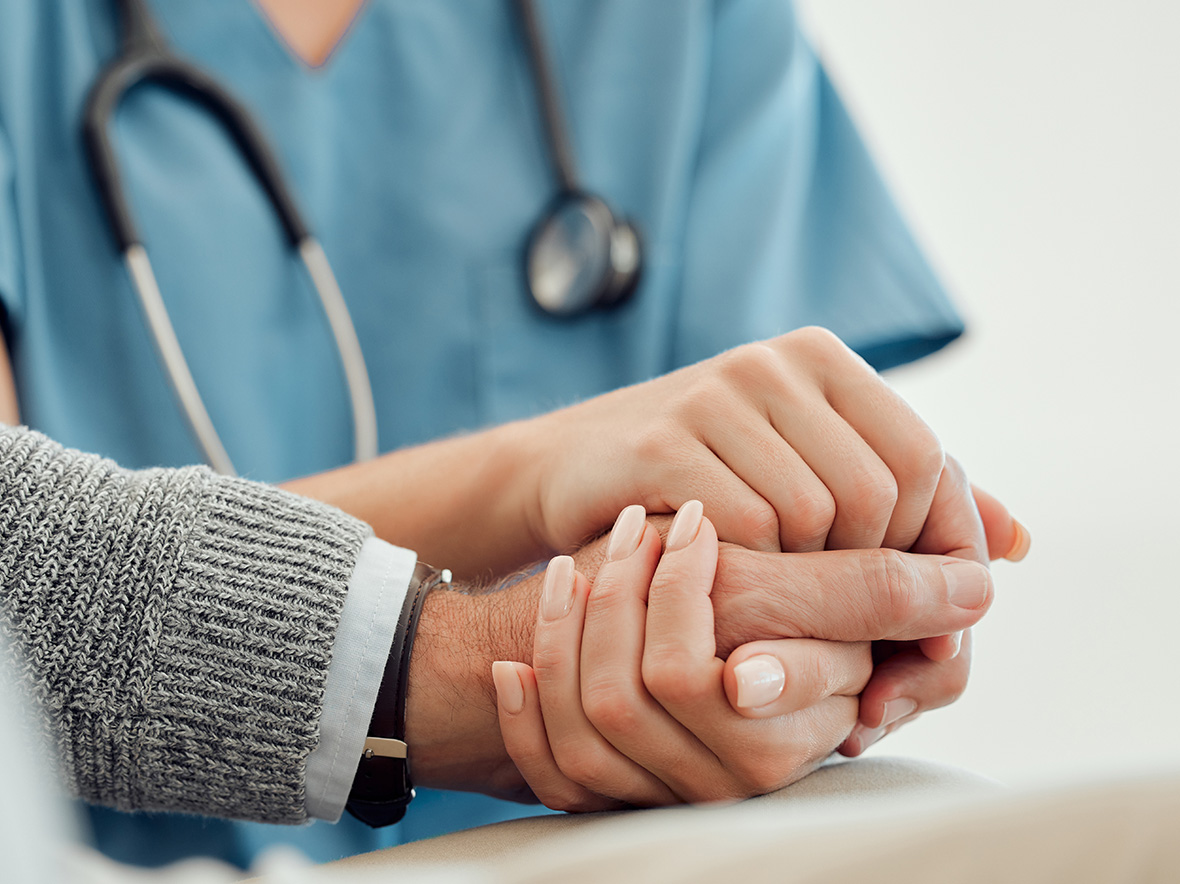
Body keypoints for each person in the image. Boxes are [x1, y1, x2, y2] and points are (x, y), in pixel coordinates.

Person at [0, 0, 994, 868]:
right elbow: (18, 567)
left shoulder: (677, 21)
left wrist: (805, 627)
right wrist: (530, 498)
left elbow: (767, 560)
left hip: (623, 852)